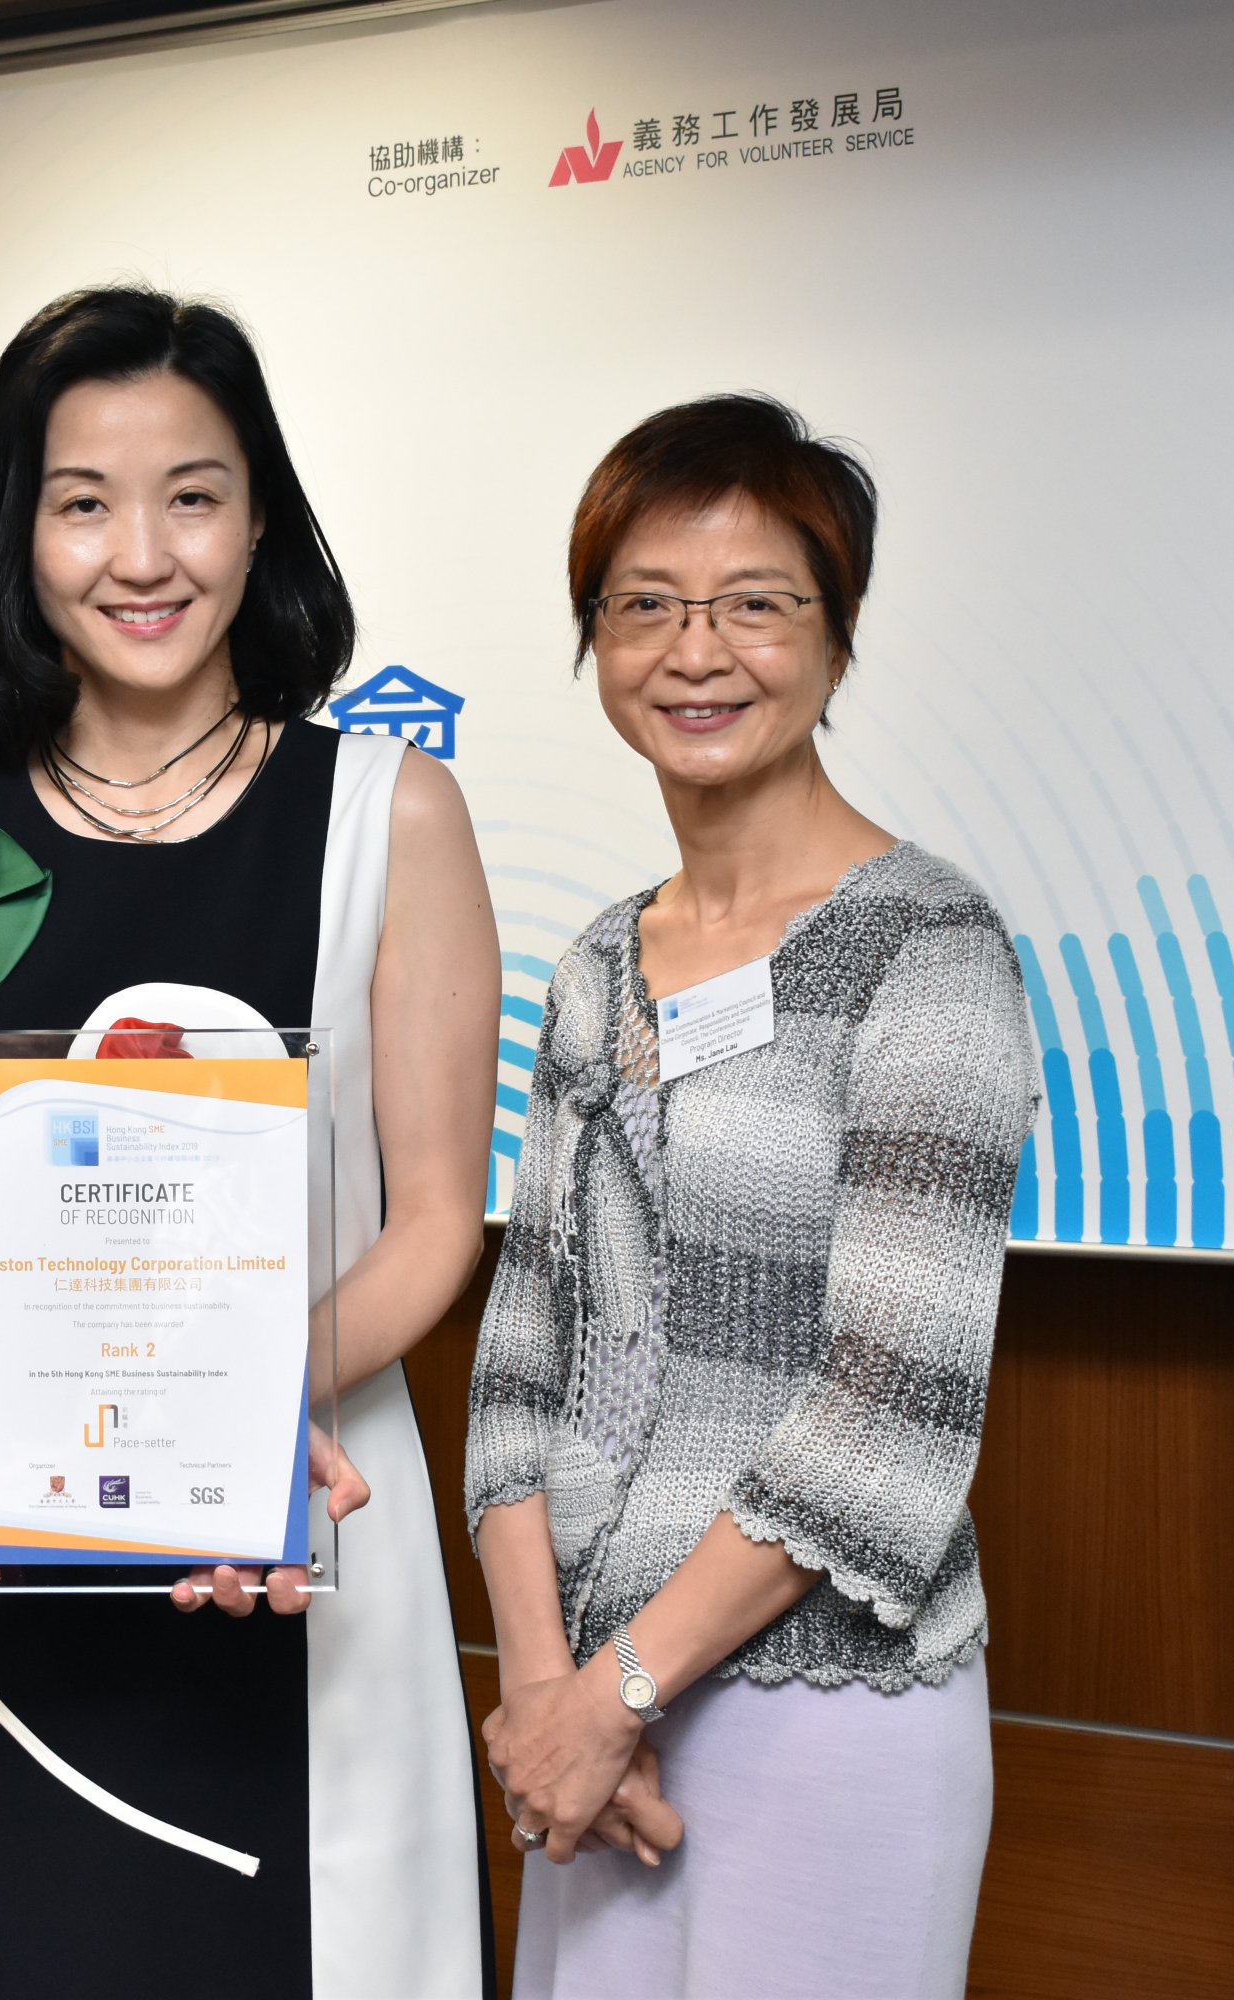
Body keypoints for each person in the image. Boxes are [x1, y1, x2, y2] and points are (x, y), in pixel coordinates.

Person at [0, 286, 502, 1998]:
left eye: (193, 495)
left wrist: (257, 1412)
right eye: (82, 501)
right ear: (13, 532)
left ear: (258, 517)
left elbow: (435, 1224)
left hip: (289, 1551)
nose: (144, 552)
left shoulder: (383, 816)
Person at [466, 394, 1040, 1999]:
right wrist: (543, 1702)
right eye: (645, 606)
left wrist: (618, 1693)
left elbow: (887, 1416)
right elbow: (521, 1365)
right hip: (585, 1739)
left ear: (837, 644)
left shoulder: (929, 951)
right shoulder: (595, 964)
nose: (696, 651)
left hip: (822, 1712)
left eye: (755, 605)